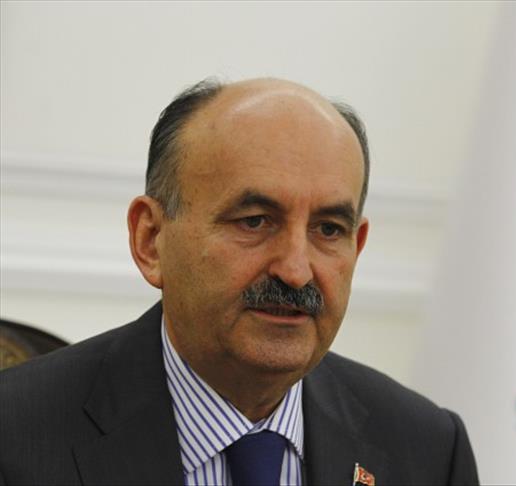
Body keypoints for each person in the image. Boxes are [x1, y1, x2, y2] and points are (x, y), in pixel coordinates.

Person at [0, 78, 479, 485]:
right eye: (254, 221)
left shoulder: (428, 450)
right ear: (151, 240)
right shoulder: (16, 437)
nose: (296, 270)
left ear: (358, 245)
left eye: (329, 230)